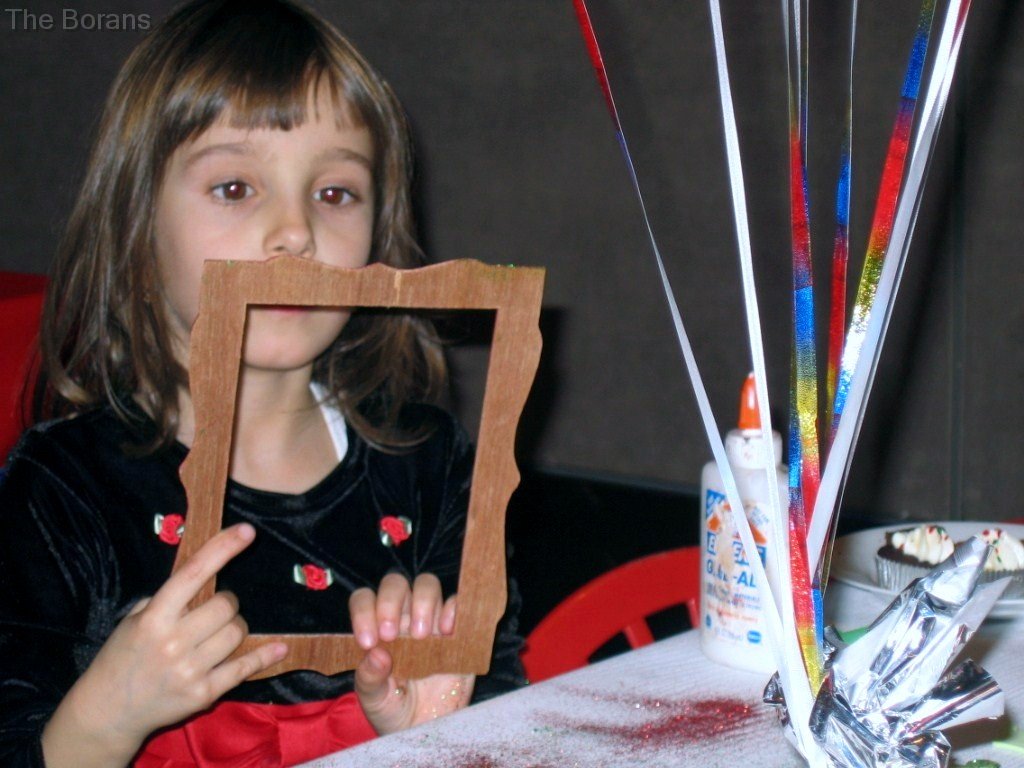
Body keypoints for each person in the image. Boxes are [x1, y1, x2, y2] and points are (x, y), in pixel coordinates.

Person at [0, 1, 525, 765]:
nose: (296, 233)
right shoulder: (62, 490)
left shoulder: (431, 464)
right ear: (137, 232)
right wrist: (105, 719)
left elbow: (506, 707)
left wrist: (436, 729)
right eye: (235, 188)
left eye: (335, 193)